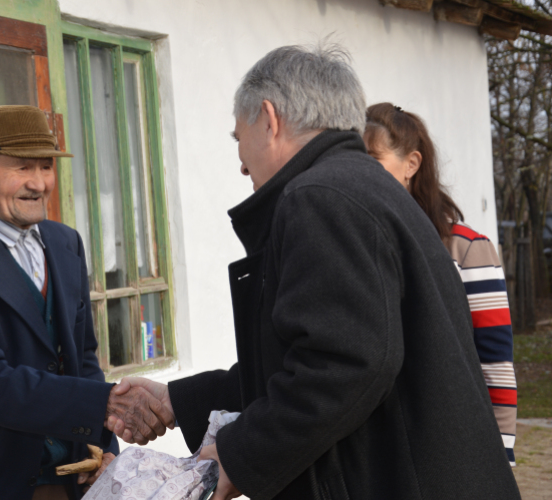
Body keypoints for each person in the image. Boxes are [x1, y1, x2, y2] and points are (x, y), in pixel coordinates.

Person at [109, 45, 520, 500]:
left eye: (238, 137)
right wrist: (178, 402)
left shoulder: (320, 196)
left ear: (269, 118)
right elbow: (309, 355)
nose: (241, 162)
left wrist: (241, 456)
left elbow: (344, 365)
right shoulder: (366, 187)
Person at [0, 105, 174, 500]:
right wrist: (104, 402)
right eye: (22, 168)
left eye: (46, 166)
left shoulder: (65, 244)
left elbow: (83, 358)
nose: (40, 183)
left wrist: (103, 448)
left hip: (64, 481)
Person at [363, 102, 518, 465]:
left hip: (451, 446)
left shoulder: (467, 248)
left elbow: (495, 360)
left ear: (411, 165)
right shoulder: (358, 247)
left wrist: (502, 455)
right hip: (380, 450)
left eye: (373, 159)